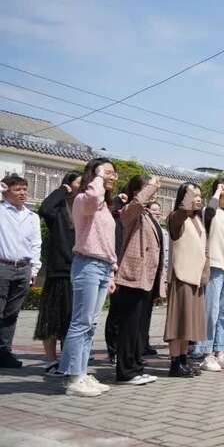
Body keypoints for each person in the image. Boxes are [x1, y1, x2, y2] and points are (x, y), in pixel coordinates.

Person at [58, 158, 117, 396]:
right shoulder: (84, 200)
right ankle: (73, 378)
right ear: (95, 175)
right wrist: (99, 176)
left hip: (103, 266)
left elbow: (108, 242)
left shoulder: (105, 208)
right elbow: (93, 197)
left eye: (114, 174)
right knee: (81, 322)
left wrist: (112, 270)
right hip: (87, 264)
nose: (113, 177)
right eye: (109, 173)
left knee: (90, 324)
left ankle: (82, 372)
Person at [110, 175, 162, 385]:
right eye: (149, 190)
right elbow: (136, 204)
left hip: (146, 277)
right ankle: (126, 371)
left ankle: (136, 366)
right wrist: (150, 186)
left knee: (139, 326)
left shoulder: (148, 214)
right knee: (129, 325)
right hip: (132, 275)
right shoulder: (129, 211)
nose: (154, 192)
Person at [35, 172, 80, 375]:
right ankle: (51, 361)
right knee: (52, 317)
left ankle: (68, 360)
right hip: (59, 270)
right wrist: (62, 190)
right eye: (79, 183)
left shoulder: (82, 208)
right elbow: (44, 208)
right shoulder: (58, 209)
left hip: (77, 270)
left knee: (72, 318)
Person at [195, 178, 224, 372]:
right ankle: (206, 353)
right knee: (210, 311)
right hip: (214, 266)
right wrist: (216, 192)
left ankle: (221, 352)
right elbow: (209, 211)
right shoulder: (209, 211)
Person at [164, 182, 207, 378]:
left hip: (195, 277)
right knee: (178, 323)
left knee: (187, 324)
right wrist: (186, 200)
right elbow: (180, 215)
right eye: (192, 195)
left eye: (199, 195)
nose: (197, 199)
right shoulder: (176, 218)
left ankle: (183, 359)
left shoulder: (198, 220)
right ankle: (174, 364)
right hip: (181, 276)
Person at [0, 174, 42, 369]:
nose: (23, 193)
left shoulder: (31, 216)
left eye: (25, 189)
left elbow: (36, 244)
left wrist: (34, 269)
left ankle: (4, 353)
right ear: (6, 190)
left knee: (12, 314)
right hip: (2, 267)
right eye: (17, 189)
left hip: (23, 268)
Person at [142, 201, 167, 356]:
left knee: (148, 311)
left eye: (159, 210)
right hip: (146, 273)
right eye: (154, 209)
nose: (157, 212)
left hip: (157, 273)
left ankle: (144, 342)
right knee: (141, 311)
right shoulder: (145, 224)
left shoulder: (162, 230)